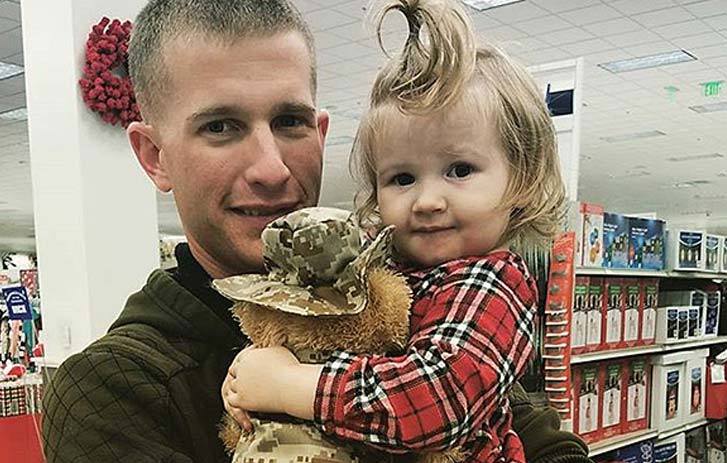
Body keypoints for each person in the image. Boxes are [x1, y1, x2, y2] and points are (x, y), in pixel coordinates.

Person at [40, 1, 591, 462]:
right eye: (220, 127)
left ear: (321, 133)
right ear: (155, 155)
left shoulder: (398, 292)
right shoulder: (114, 389)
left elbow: (535, 435)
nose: (272, 167)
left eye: (290, 122)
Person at [220, 1, 577, 461]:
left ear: (523, 178)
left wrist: (292, 385)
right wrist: (253, 373)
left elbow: (439, 400)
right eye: (402, 179)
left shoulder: (491, 281)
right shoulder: (392, 272)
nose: (427, 201)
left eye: (460, 169)